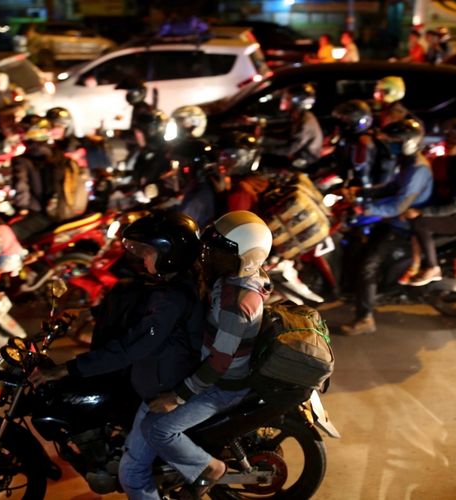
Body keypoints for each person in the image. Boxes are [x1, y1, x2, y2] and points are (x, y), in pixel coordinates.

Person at [26, 212, 204, 499]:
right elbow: (132, 310)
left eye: (148, 253)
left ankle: (201, 470)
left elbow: (133, 345)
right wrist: (87, 313)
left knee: (132, 475)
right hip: (153, 380)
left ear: (170, 254)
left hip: (162, 391)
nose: (142, 260)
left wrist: (69, 368)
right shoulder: (168, 287)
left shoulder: (172, 298)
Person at [139, 210, 272, 500]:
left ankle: (209, 469)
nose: (207, 255)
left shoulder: (235, 306)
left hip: (223, 387)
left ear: (245, 257)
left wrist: (177, 397)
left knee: (156, 427)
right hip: (214, 371)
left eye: (218, 251)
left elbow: (219, 363)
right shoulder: (239, 277)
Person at [340, 118, 433, 335]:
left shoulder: (418, 169)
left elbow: (398, 205)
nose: (390, 145)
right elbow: (391, 187)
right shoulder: (409, 162)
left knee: (368, 265)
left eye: (394, 141)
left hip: (403, 227)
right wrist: (362, 192)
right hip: (392, 221)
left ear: (408, 142)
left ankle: (365, 318)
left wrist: (365, 209)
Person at [403, 119, 456, 286]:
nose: (447, 144)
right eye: (447, 140)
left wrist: (421, 212)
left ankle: (433, 268)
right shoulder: (451, 163)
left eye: (452, 142)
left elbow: (455, 205)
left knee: (420, 223)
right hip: (451, 214)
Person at [10, 117, 65, 241]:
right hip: (60, 211)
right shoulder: (58, 155)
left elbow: (21, 186)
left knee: (8, 235)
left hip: (38, 213)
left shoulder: (22, 160)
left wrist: (22, 208)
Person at [329, 99, 395, 188]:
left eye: (346, 119)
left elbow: (362, 172)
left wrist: (357, 191)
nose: (342, 121)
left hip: (359, 187)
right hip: (341, 174)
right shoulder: (350, 136)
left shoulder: (363, 142)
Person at [262, 84, 324, 168]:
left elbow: (289, 149)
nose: (282, 100)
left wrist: (263, 149)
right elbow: (283, 127)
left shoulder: (305, 124)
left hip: (304, 158)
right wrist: (263, 135)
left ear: (296, 102)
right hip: (297, 150)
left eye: (287, 98)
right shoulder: (299, 115)